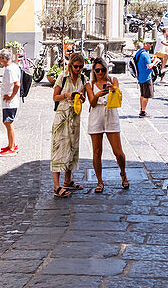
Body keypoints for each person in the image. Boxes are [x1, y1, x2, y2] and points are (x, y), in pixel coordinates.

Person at [87, 56, 128, 193]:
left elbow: (118, 99)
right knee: (97, 152)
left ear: (106, 69)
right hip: (96, 117)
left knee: (118, 152)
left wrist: (113, 89)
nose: (100, 73)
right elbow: (92, 103)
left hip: (111, 116)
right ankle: (99, 181)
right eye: (97, 70)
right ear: (93, 70)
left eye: (102, 69)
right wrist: (98, 94)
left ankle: (123, 172)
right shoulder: (90, 84)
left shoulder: (113, 81)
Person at [51, 53, 88, 197]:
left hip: (75, 117)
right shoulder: (63, 77)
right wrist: (68, 95)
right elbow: (55, 97)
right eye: (76, 66)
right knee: (59, 148)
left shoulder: (82, 78)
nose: (78, 69)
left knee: (72, 148)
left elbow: (83, 97)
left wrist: (81, 97)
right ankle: (56, 186)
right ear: (70, 65)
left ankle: (68, 180)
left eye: (80, 67)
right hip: (62, 117)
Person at [0, 49, 21, 156]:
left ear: (2, 59)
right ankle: (12, 144)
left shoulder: (10, 70)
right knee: (7, 122)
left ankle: (12, 148)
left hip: (10, 102)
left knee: (8, 122)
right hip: (9, 101)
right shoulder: (12, 67)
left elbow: (17, 84)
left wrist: (11, 97)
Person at [135, 40, 154, 118]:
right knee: (146, 95)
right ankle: (143, 112)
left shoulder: (139, 52)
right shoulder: (145, 54)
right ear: (145, 44)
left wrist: (151, 60)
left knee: (142, 94)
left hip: (140, 76)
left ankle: (141, 109)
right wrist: (155, 62)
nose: (151, 45)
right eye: (150, 44)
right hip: (146, 77)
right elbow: (149, 66)